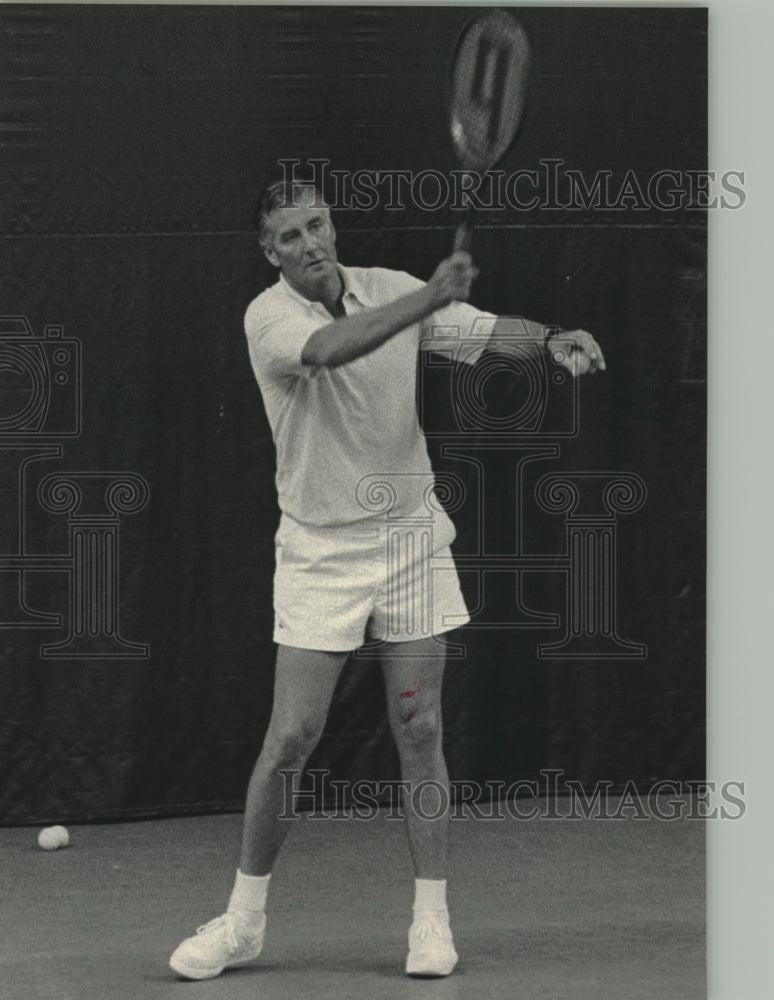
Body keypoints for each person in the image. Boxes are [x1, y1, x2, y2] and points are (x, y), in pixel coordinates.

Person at [169, 180, 605, 982]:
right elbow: (334, 350)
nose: (311, 243)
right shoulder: (269, 317)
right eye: (291, 235)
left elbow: (478, 329)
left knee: (421, 729)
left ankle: (431, 921)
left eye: (318, 224)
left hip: (408, 538)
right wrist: (428, 298)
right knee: (291, 740)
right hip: (320, 551)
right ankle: (243, 922)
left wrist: (549, 337)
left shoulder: (396, 290)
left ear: (333, 225)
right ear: (271, 252)